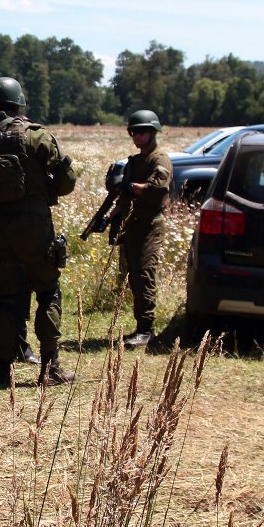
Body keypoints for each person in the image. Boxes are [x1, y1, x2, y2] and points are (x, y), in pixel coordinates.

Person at [0, 77, 77, 386]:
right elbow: (66, 183)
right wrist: (45, 192)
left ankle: (3, 370)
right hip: (35, 225)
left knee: (4, 297)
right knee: (48, 291)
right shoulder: (35, 137)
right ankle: (50, 368)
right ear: (18, 104)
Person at [109, 109, 172, 350]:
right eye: (134, 131)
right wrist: (114, 213)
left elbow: (157, 188)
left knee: (145, 273)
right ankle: (141, 326)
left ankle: (147, 329)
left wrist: (130, 187)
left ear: (153, 132)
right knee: (134, 275)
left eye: (143, 131)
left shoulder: (160, 159)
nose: (138, 135)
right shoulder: (134, 162)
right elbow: (124, 198)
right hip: (132, 224)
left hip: (150, 224)